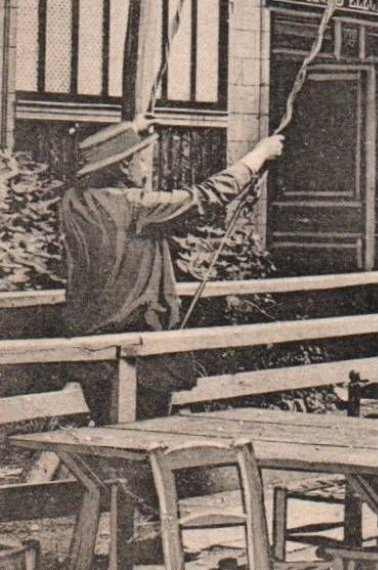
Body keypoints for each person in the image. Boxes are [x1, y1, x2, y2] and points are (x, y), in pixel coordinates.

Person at [60, 118, 286, 425]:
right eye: (140, 159)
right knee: (145, 433)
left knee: (106, 428)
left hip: (92, 347)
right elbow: (206, 196)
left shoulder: (73, 202)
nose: (145, 167)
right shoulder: (136, 207)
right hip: (139, 347)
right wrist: (257, 156)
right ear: (125, 167)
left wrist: (132, 129)